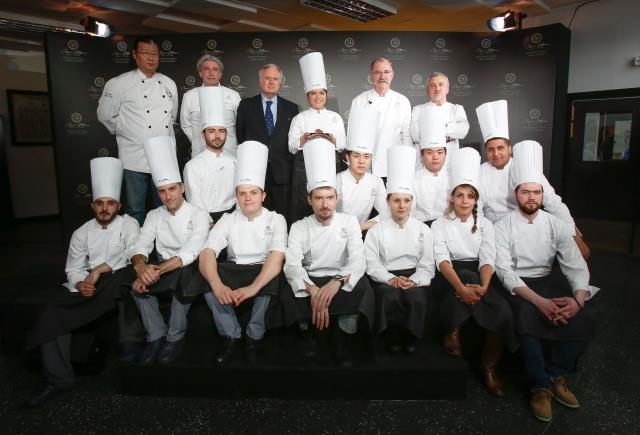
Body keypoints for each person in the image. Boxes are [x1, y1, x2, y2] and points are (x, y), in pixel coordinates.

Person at [24, 158, 143, 408]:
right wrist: (80, 284)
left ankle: (130, 343)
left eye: (110, 204)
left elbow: (133, 253)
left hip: (115, 279)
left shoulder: (129, 224)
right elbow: (73, 268)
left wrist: (101, 269)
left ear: (119, 206)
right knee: (52, 314)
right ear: (92, 205)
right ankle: (59, 380)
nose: (104, 209)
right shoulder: (81, 232)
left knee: (126, 279)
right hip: (89, 284)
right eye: (100, 203)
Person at [494, 140, 599, 422]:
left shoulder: (557, 225)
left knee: (585, 317)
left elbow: (575, 266)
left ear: (543, 195)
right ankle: (539, 385)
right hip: (519, 286)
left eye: (536, 192)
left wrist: (578, 300)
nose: (531, 198)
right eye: (526, 192)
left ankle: (556, 374)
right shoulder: (502, 226)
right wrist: (539, 301)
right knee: (526, 318)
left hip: (547, 279)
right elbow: (504, 271)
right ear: (516, 194)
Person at [186, 141, 287, 365]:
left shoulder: (276, 219)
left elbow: (277, 256)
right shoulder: (227, 219)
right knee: (205, 277)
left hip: (261, 268)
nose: (248, 198)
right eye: (243, 193)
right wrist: (217, 285)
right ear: (236, 196)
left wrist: (253, 287)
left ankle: (254, 335)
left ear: (263, 196)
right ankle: (231, 333)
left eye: (253, 193)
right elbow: (207, 252)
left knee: (273, 277)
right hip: (234, 268)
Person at [431, 148, 517, 397]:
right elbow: (442, 260)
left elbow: (488, 258)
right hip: (449, 277)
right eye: (460, 195)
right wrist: (461, 288)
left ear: (476, 200)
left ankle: (488, 368)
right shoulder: (439, 224)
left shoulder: (487, 225)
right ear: (452, 198)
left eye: (470, 196)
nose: (465, 201)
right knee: (467, 278)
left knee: (502, 312)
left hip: (481, 277)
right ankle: (453, 330)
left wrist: (484, 287)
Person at [283, 138, 375, 366]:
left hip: (338, 276)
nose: (325, 204)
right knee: (286, 285)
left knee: (361, 285)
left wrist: (335, 283)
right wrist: (314, 290)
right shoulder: (298, 226)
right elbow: (292, 265)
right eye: (319, 198)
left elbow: (358, 261)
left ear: (337, 199)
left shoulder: (350, 221)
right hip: (311, 278)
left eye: (330, 198)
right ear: (309, 200)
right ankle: (307, 334)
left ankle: (341, 336)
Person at [124, 136, 211, 365]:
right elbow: (141, 244)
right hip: (162, 266)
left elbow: (192, 250)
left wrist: (156, 271)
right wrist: (141, 267)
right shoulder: (154, 215)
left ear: (182, 188)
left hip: (189, 268)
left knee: (184, 278)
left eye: (172, 189)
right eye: (161, 191)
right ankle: (156, 336)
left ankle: (174, 337)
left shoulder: (199, 214)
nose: (168, 196)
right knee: (135, 285)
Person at [475, 100, 590, 259]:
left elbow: (553, 203)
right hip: (493, 232)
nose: (496, 154)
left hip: (525, 228)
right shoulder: (479, 172)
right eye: (491, 149)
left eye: (500, 148)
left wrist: (574, 236)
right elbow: (477, 210)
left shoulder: (525, 165)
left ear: (509, 148)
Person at [97, 36, 178, 226]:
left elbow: (172, 117)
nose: (151, 58)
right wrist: (128, 132)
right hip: (134, 157)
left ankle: (164, 249)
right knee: (135, 209)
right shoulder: (118, 84)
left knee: (166, 207)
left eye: (155, 54)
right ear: (135, 55)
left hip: (164, 156)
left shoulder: (169, 84)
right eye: (145, 53)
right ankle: (136, 253)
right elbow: (105, 116)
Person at [364, 145, 434, 358]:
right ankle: (392, 337)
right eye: (396, 200)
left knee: (416, 298)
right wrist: (390, 279)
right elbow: (372, 262)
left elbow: (427, 263)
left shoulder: (423, 229)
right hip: (387, 276)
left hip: (414, 275)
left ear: (412, 202)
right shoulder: (376, 230)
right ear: (387, 202)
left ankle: (410, 337)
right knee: (389, 295)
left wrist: (415, 279)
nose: (402, 206)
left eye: (406, 200)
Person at [236, 64, 299, 224]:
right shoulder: (246, 106)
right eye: (267, 78)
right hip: (255, 174)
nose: (271, 82)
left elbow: (294, 140)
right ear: (260, 81)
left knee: (283, 219)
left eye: (275, 79)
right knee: (257, 220)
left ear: (280, 82)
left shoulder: (292, 108)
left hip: (283, 174)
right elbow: (241, 137)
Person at [288, 52, 346, 223]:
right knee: (304, 206)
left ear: (326, 94)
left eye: (321, 93)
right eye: (313, 93)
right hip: (304, 168)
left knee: (327, 204)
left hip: (331, 165)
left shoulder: (335, 117)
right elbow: (291, 146)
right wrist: (305, 139)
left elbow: (342, 145)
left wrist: (330, 138)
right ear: (307, 96)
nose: (318, 97)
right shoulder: (300, 118)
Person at [349, 57, 411, 178]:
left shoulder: (402, 101)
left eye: (386, 72)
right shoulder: (359, 101)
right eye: (377, 72)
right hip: (368, 166)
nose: (382, 76)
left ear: (392, 75)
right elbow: (352, 137)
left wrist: (407, 163)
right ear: (371, 76)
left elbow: (407, 136)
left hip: (395, 164)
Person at [183, 86, 236, 224]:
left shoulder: (234, 162)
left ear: (227, 134)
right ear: (203, 134)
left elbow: (239, 195)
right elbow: (194, 200)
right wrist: (208, 222)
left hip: (232, 218)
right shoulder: (192, 166)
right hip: (206, 220)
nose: (217, 136)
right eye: (211, 131)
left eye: (221, 131)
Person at [337, 107, 389, 232]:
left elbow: (388, 213)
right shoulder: (338, 179)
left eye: (366, 156)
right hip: (337, 233)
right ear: (348, 157)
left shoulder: (376, 181)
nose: (361, 161)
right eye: (356, 156)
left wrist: (360, 227)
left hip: (362, 232)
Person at [180, 54, 241, 158]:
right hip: (200, 152)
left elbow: (240, 124)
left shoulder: (233, 95)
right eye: (206, 69)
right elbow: (186, 125)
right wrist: (198, 141)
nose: (211, 73)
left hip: (229, 152)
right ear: (200, 73)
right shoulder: (189, 96)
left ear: (220, 74)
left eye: (215, 69)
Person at [412, 105, 453, 226]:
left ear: (445, 153)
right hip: (422, 227)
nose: (435, 157)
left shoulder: (453, 177)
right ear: (421, 154)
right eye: (429, 152)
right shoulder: (413, 179)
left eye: (440, 152)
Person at [410, 72, 469, 156]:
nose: (437, 88)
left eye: (441, 84)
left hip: (450, 156)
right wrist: (448, 132)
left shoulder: (456, 108)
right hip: (425, 158)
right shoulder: (418, 109)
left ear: (447, 89)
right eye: (433, 85)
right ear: (427, 90)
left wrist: (431, 128)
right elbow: (415, 134)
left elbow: (463, 130)